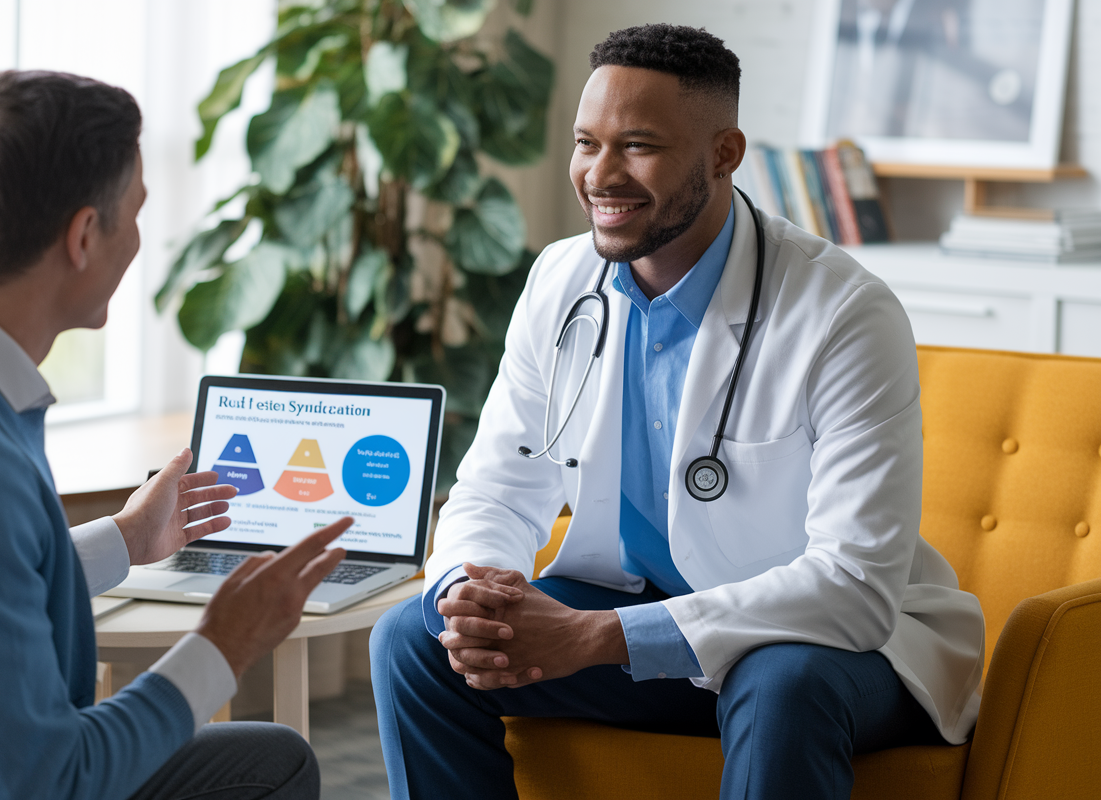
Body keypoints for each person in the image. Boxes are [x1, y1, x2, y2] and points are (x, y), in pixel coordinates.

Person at [370, 24, 985, 800]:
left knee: (783, 682)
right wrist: (469, 590)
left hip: (826, 643)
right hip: (636, 614)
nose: (600, 175)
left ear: (724, 153)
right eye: (586, 142)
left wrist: (600, 637)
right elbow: (498, 488)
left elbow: (853, 584)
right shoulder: (561, 280)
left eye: (637, 146)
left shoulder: (844, 313)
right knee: (414, 639)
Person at [0, 70, 349, 800]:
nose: (138, 240)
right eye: (134, 215)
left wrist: (127, 540)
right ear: (83, 236)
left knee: (269, 761)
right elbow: (49, 784)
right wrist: (223, 645)